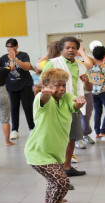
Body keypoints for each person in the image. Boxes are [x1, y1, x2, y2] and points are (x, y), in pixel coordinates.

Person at [25, 68, 86, 203]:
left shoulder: (65, 97)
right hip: (38, 151)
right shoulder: (42, 97)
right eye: (56, 85)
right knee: (61, 182)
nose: (61, 89)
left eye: (63, 85)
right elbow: (43, 98)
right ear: (45, 85)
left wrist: (79, 102)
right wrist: (46, 92)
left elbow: (74, 103)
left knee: (53, 178)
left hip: (55, 151)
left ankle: (49, 198)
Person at [41, 36, 92, 177]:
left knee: (71, 138)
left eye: (74, 48)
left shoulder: (81, 66)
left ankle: (67, 168)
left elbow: (89, 88)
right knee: (58, 140)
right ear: (61, 49)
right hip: (56, 107)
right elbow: (42, 84)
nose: (71, 50)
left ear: (77, 50)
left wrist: (87, 82)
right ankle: (58, 174)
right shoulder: (53, 63)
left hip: (74, 105)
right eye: (67, 48)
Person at [0, 38, 35, 140]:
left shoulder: (23, 55)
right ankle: (15, 130)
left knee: (28, 107)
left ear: (16, 46)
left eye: (11, 46)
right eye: (8, 47)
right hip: (11, 86)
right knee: (14, 108)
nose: (9, 49)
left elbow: (27, 67)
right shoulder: (4, 58)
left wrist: (15, 59)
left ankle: (32, 128)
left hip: (25, 85)